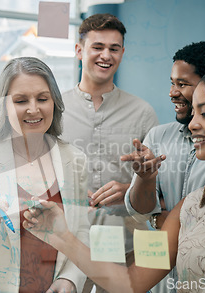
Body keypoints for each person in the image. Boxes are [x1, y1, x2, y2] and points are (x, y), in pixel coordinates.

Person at [23, 52, 205, 292]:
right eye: (193, 113)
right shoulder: (189, 208)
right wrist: (61, 235)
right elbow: (130, 283)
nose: (193, 124)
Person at [0, 57, 90, 293]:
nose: (33, 109)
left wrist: (70, 278)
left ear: (55, 103)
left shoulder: (75, 160)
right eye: (21, 101)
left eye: (42, 98)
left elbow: (83, 233)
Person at [60, 13, 158, 292]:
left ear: (122, 53)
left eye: (114, 48)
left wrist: (130, 188)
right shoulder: (55, 110)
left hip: (125, 247)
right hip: (69, 247)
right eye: (97, 47)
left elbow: (157, 184)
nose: (106, 55)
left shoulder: (143, 112)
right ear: (79, 50)